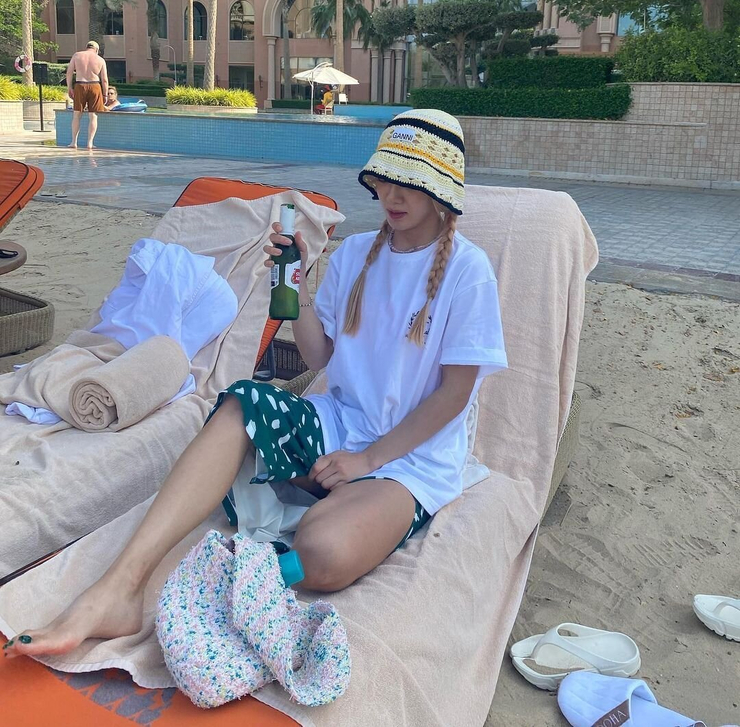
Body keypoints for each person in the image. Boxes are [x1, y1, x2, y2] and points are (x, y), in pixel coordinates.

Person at [3, 109, 507, 659]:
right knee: (241, 403)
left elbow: (455, 395)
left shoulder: (467, 271)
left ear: (440, 190)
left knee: (324, 552)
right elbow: (319, 356)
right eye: (384, 178)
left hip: (409, 459)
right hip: (338, 425)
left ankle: (242, 577)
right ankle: (119, 587)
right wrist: (294, 285)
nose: (392, 193)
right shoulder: (358, 253)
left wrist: (367, 461)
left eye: (410, 181)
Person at [66, 41, 109, 150]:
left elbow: (69, 72)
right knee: (93, 116)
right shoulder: (100, 60)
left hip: (80, 85)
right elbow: (104, 79)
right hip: (95, 86)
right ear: (96, 50)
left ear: (87, 47)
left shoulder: (77, 55)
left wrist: (69, 87)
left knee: (76, 115)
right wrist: (105, 94)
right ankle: (90, 143)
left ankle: (73, 142)